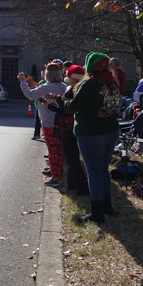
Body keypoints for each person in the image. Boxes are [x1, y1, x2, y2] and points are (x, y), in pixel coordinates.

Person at [47, 52, 120, 224]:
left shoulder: (89, 83)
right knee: (103, 170)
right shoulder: (113, 83)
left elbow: (72, 107)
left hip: (91, 133)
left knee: (93, 173)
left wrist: (59, 100)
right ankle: (107, 206)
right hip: (111, 130)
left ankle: (96, 213)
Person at [18, 62, 68, 188]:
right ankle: (59, 175)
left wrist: (23, 81)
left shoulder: (46, 87)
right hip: (63, 122)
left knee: (52, 150)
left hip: (49, 123)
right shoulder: (64, 86)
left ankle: (56, 178)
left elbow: (29, 94)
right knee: (59, 150)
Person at [61, 65, 90, 196]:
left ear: (72, 78)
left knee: (72, 160)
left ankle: (81, 188)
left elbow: (66, 109)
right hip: (74, 126)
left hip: (69, 126)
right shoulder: (81, 89)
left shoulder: (72, 90)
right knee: (72, 160)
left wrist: (50, 105)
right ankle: (72, 185)